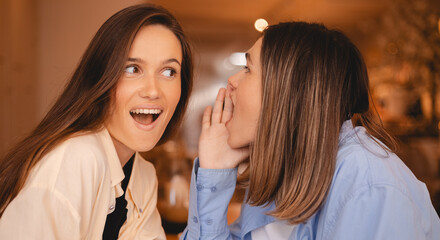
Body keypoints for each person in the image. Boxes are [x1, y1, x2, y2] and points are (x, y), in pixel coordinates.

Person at [180, 21, 440, 239]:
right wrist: (214, 172)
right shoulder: (285, 169)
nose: (232, 81)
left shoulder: (370, 188)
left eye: (248, 68)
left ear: (291, 92)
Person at [0, 4, 192, 240]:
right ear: (101, 78)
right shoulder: (74, 160)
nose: (153, 91)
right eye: (132, 69)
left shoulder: (141, 174)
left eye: (169, 72)